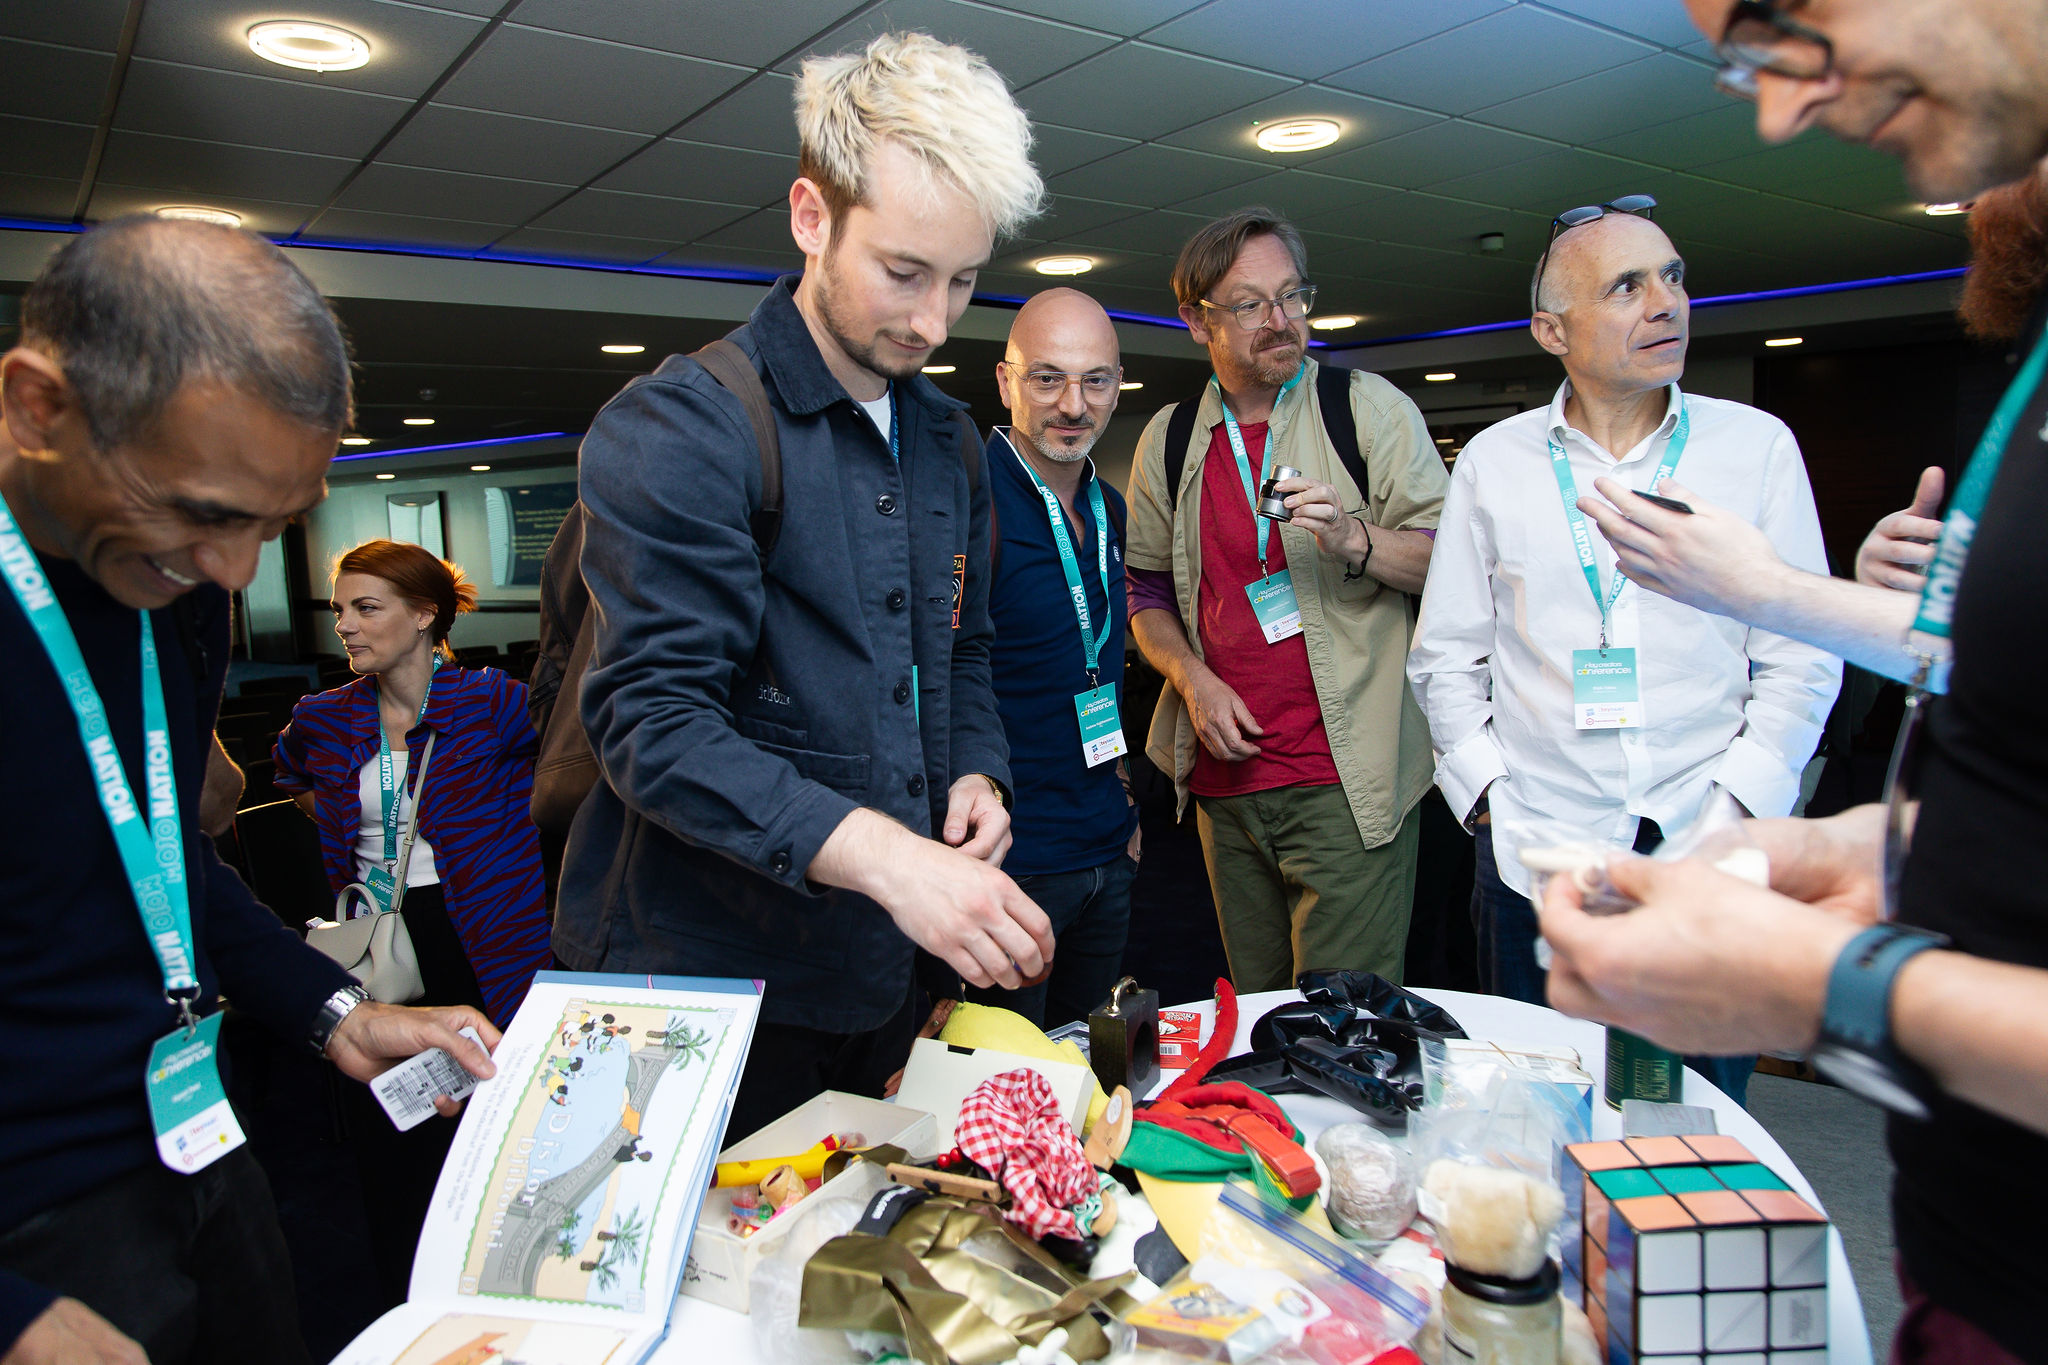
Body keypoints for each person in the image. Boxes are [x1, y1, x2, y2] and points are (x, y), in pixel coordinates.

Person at [1541, 3, 2048, 1359]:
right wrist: (1881, 847)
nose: (1777, 110)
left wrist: (1835, 983)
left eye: (1789, 24)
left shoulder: (1752, 444)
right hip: (1977, 1252)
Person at [0, 215, 496, 1365]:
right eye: (206, 514)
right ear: (38, 408)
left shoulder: (172, 588)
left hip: (198, 1139)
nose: (229, 573)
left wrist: (334, 1012)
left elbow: (164, 865)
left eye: (271, 524)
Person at [551, 31, 1055, 1139]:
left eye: (963, 281)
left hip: (877, 976)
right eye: (904, 273)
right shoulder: (683, 424)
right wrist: (893, 860)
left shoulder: (951, 442)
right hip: (702, 989)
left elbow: (962, 646)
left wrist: (978, 771)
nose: (933, 322)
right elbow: (652, 724)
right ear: (811, 217)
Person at [1405, 202, 1840, 1104]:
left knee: (1695, 1124)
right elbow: (1446, 656)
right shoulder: (1493, 461)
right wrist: (1488, 799)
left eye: (1673, 276)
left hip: (1703, 842)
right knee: (1537, 1111)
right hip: (1535, 850)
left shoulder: (1755, 448)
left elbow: (1802, 653)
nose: (1666, 302)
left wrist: (1734, 811)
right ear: (1552, 331)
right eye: (1627, 286)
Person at [1125, 208, 1448, 991]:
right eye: (1250, 305)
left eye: (1292, 295)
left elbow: (1451, 562)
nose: (1281, 320)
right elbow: (1146, 591)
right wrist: (1192, 681)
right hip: (1225, 789)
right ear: (1196, 321)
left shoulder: (1366, 409)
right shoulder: (1170, 438)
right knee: (1261, 1015)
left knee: (1343, 1021)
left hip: (1347, 783)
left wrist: (1354, 538)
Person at [274, 539, 553, 1028]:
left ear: (424, 614)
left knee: (500, 1056)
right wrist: (344, 821)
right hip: (379, 924)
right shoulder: (323, 718)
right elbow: (290, 774)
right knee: (401, 1068)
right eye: (340, 610)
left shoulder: (492, 703)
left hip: (491, 924)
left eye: (366, 608)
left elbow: (568, 768)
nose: (344, 625)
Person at [976, 288, 1139, 1028]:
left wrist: (1123, 800)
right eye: (1047, 378)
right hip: (1010, 865)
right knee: (1003, 1075)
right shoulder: (968, 506)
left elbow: (1096, 665)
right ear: (1006, 382)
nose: (1073, 405)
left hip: (1104, 847)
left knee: (1089, 1068)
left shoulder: (1110, 507)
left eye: (1095, 380)